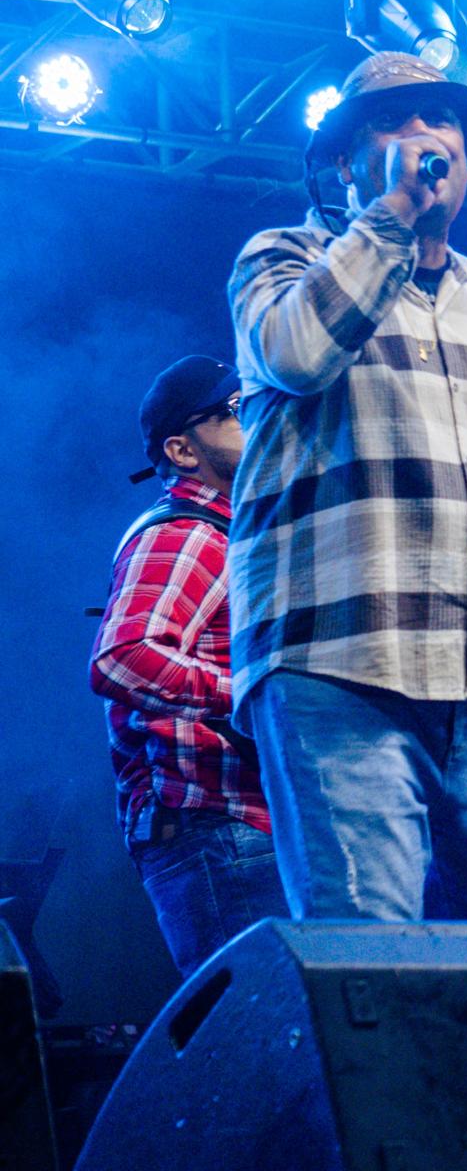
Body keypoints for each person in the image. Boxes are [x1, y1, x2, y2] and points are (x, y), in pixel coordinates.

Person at [225, 51, 467, 923]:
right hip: (333, 667)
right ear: (346, 161)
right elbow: (298, 354)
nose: (424, 135)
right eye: (393, 122)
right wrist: (391, 216)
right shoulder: (282, 258)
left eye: (442, 120)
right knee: (371, 958)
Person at [90, 355, 287, 975]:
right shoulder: (188, 535)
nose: (256, 418)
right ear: (181, 449)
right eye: (234, 410)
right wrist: (259, 692)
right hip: (219, 829)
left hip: (246, 828)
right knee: (263, 1028)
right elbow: (123, 658)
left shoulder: (237, 533)